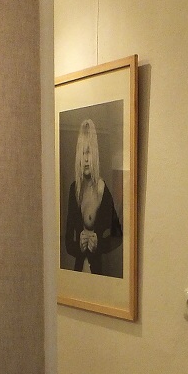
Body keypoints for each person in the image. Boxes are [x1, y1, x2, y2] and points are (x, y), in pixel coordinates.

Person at [63, 118, 122, 276]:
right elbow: (68, 242)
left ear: (94, 153)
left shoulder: (102, 190)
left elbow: (118, 236)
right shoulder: (74, 190)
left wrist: (99, 244)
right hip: (78, 273)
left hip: (97, 274)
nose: (86, 159)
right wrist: (78, 246)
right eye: (82, 152)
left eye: (88, 152)